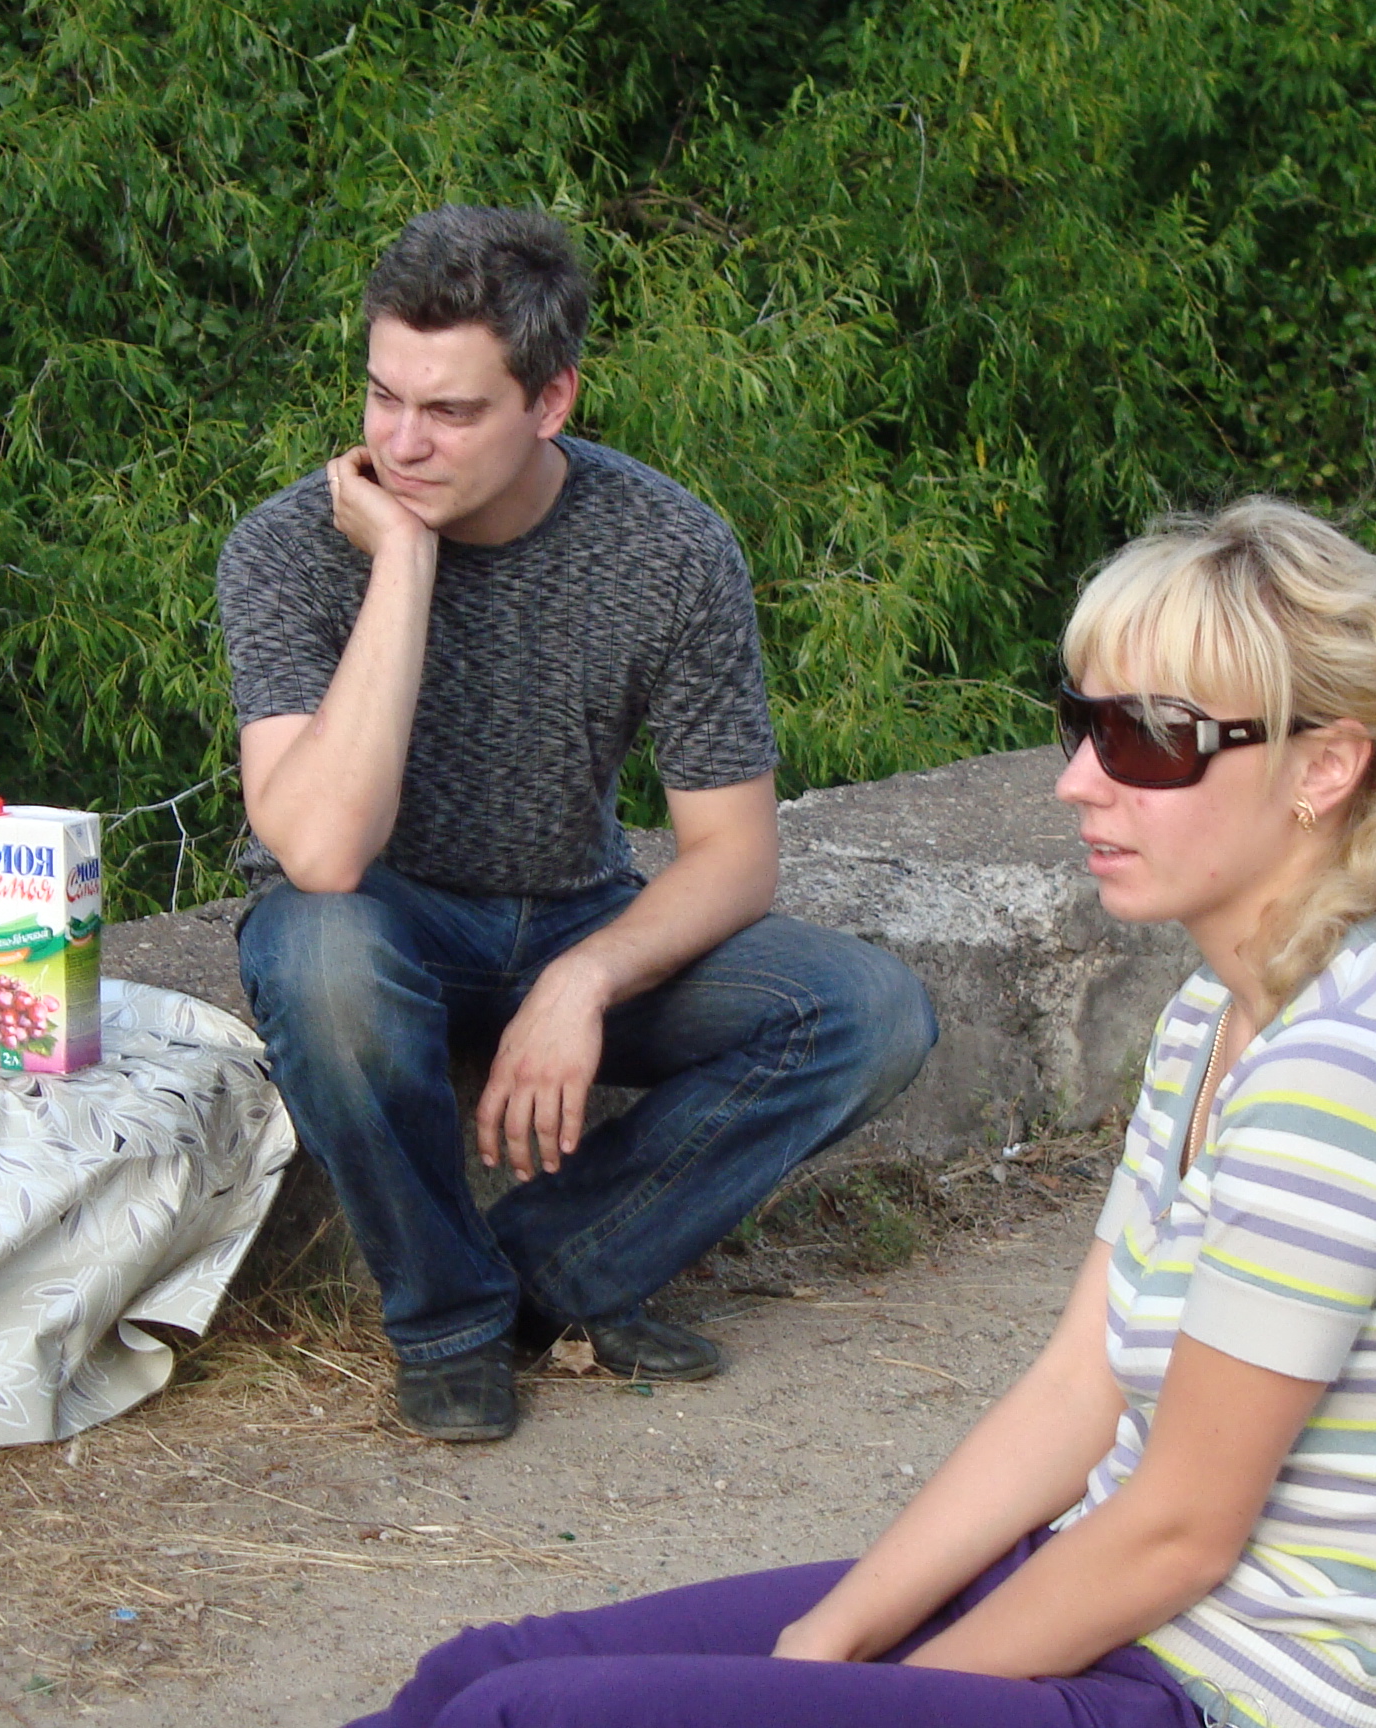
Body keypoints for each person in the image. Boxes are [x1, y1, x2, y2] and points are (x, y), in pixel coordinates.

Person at [346, 499, 1376, 1728]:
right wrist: (828, 1648)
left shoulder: (1351, 1072)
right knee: (476, 1675)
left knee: (526, 1720)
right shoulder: (1219, 1012)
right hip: (1119, 1608)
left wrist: (883, 1697)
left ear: (1324, 767)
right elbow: (1080, 1386)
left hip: (1228, 1691)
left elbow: (1181, 1533)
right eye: (1083, 723)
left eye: (1149, 739)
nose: (1077, 781)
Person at [218, 205, 937, 1445]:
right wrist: (403, 562)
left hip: (572, 908)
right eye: (385, 396)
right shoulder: (290, 548)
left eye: (451, 412)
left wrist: (583, 979)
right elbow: (324, 853)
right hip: (380, 923)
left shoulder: (668, 544)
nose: (401, 442)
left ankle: (549, 1272)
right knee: (320, 955)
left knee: (869, 1013)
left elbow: (736, 855)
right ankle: (449, 1326)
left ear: (551, 401)